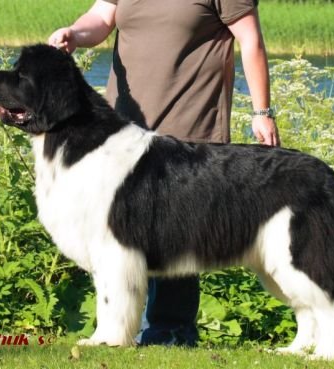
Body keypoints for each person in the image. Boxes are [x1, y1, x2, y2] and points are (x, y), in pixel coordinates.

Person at [48, 0, 280, 346]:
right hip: (123, 132)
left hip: (189, 126)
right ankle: (120, 331)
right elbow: (100, 18)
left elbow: (250, 40)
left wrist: (261, 110)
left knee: (175, 236)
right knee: (119, 239)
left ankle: (170, 332)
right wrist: (74, 35)